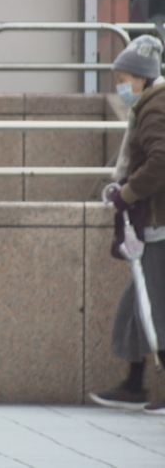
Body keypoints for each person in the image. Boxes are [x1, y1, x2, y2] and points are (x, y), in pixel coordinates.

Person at [90, 33, 165, 414]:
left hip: (158, 223)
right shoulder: (152, 104)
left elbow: (159, 161)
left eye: (122, 77)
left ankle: (138, 384)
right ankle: (133, 384)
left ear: (140, 78)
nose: (119, 85)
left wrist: (128, 194)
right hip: (153, 223)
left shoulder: (154, 107)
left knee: (153, 303)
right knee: (137, 303)